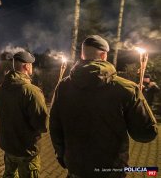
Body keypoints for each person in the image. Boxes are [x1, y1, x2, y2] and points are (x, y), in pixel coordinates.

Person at [50, 35, 158, 178]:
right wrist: (140, 102)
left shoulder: (63, 86)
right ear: (104, 55)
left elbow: (55, 126)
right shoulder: (126, 88)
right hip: (111, 170)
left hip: (76, 167)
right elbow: (146, 133)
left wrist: (63, 157)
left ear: (82, 55)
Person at [0, 51, 48, 178]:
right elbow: (41, 124)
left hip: (8, 146)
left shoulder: (2, 88)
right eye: (31, 65)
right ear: (27, 66)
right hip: (26, 148)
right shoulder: (32, 91)